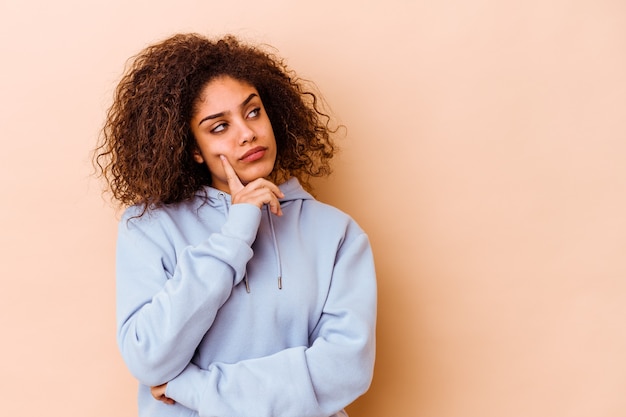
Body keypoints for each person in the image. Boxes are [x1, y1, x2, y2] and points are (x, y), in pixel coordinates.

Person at [95, 32, 377, 417]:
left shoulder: (337, 233)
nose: (247, 133)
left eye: (253, 111)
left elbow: (346, 371)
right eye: (219, 127)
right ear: (193, 148)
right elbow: (147, 356)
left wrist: (191, 388)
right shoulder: (150, 227)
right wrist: (235, 233)